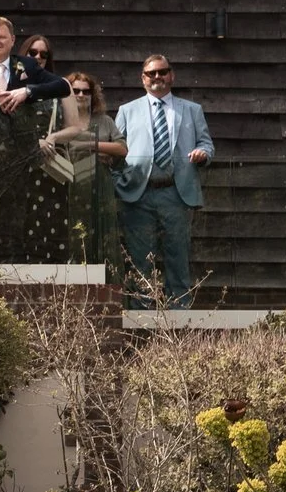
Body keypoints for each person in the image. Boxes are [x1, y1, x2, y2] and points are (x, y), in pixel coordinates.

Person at [114, 55, 213, 310]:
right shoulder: (127, 111)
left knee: (178, 255)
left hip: (176, 193)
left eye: (162, 71)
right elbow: (115, 151)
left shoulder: (191, 110)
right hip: (138, 194)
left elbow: (206, 143)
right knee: (140, 258)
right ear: (143, 78)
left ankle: (179, 313)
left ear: (172, 75)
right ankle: (142, 315)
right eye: (151, 73)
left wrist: (202, 153)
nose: (157, 77)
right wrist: (118, 183)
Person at [42, 71, 126, 268]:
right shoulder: (58, 120)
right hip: (66, 186)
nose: (80, 95)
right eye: (75, 91)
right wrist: (99, 150)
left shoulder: (103, 120)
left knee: (99, 234)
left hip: (98, 186)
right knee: (70, 233)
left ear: (92, 94)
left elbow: (122, 148)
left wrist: (90, 145)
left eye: (86, 91)